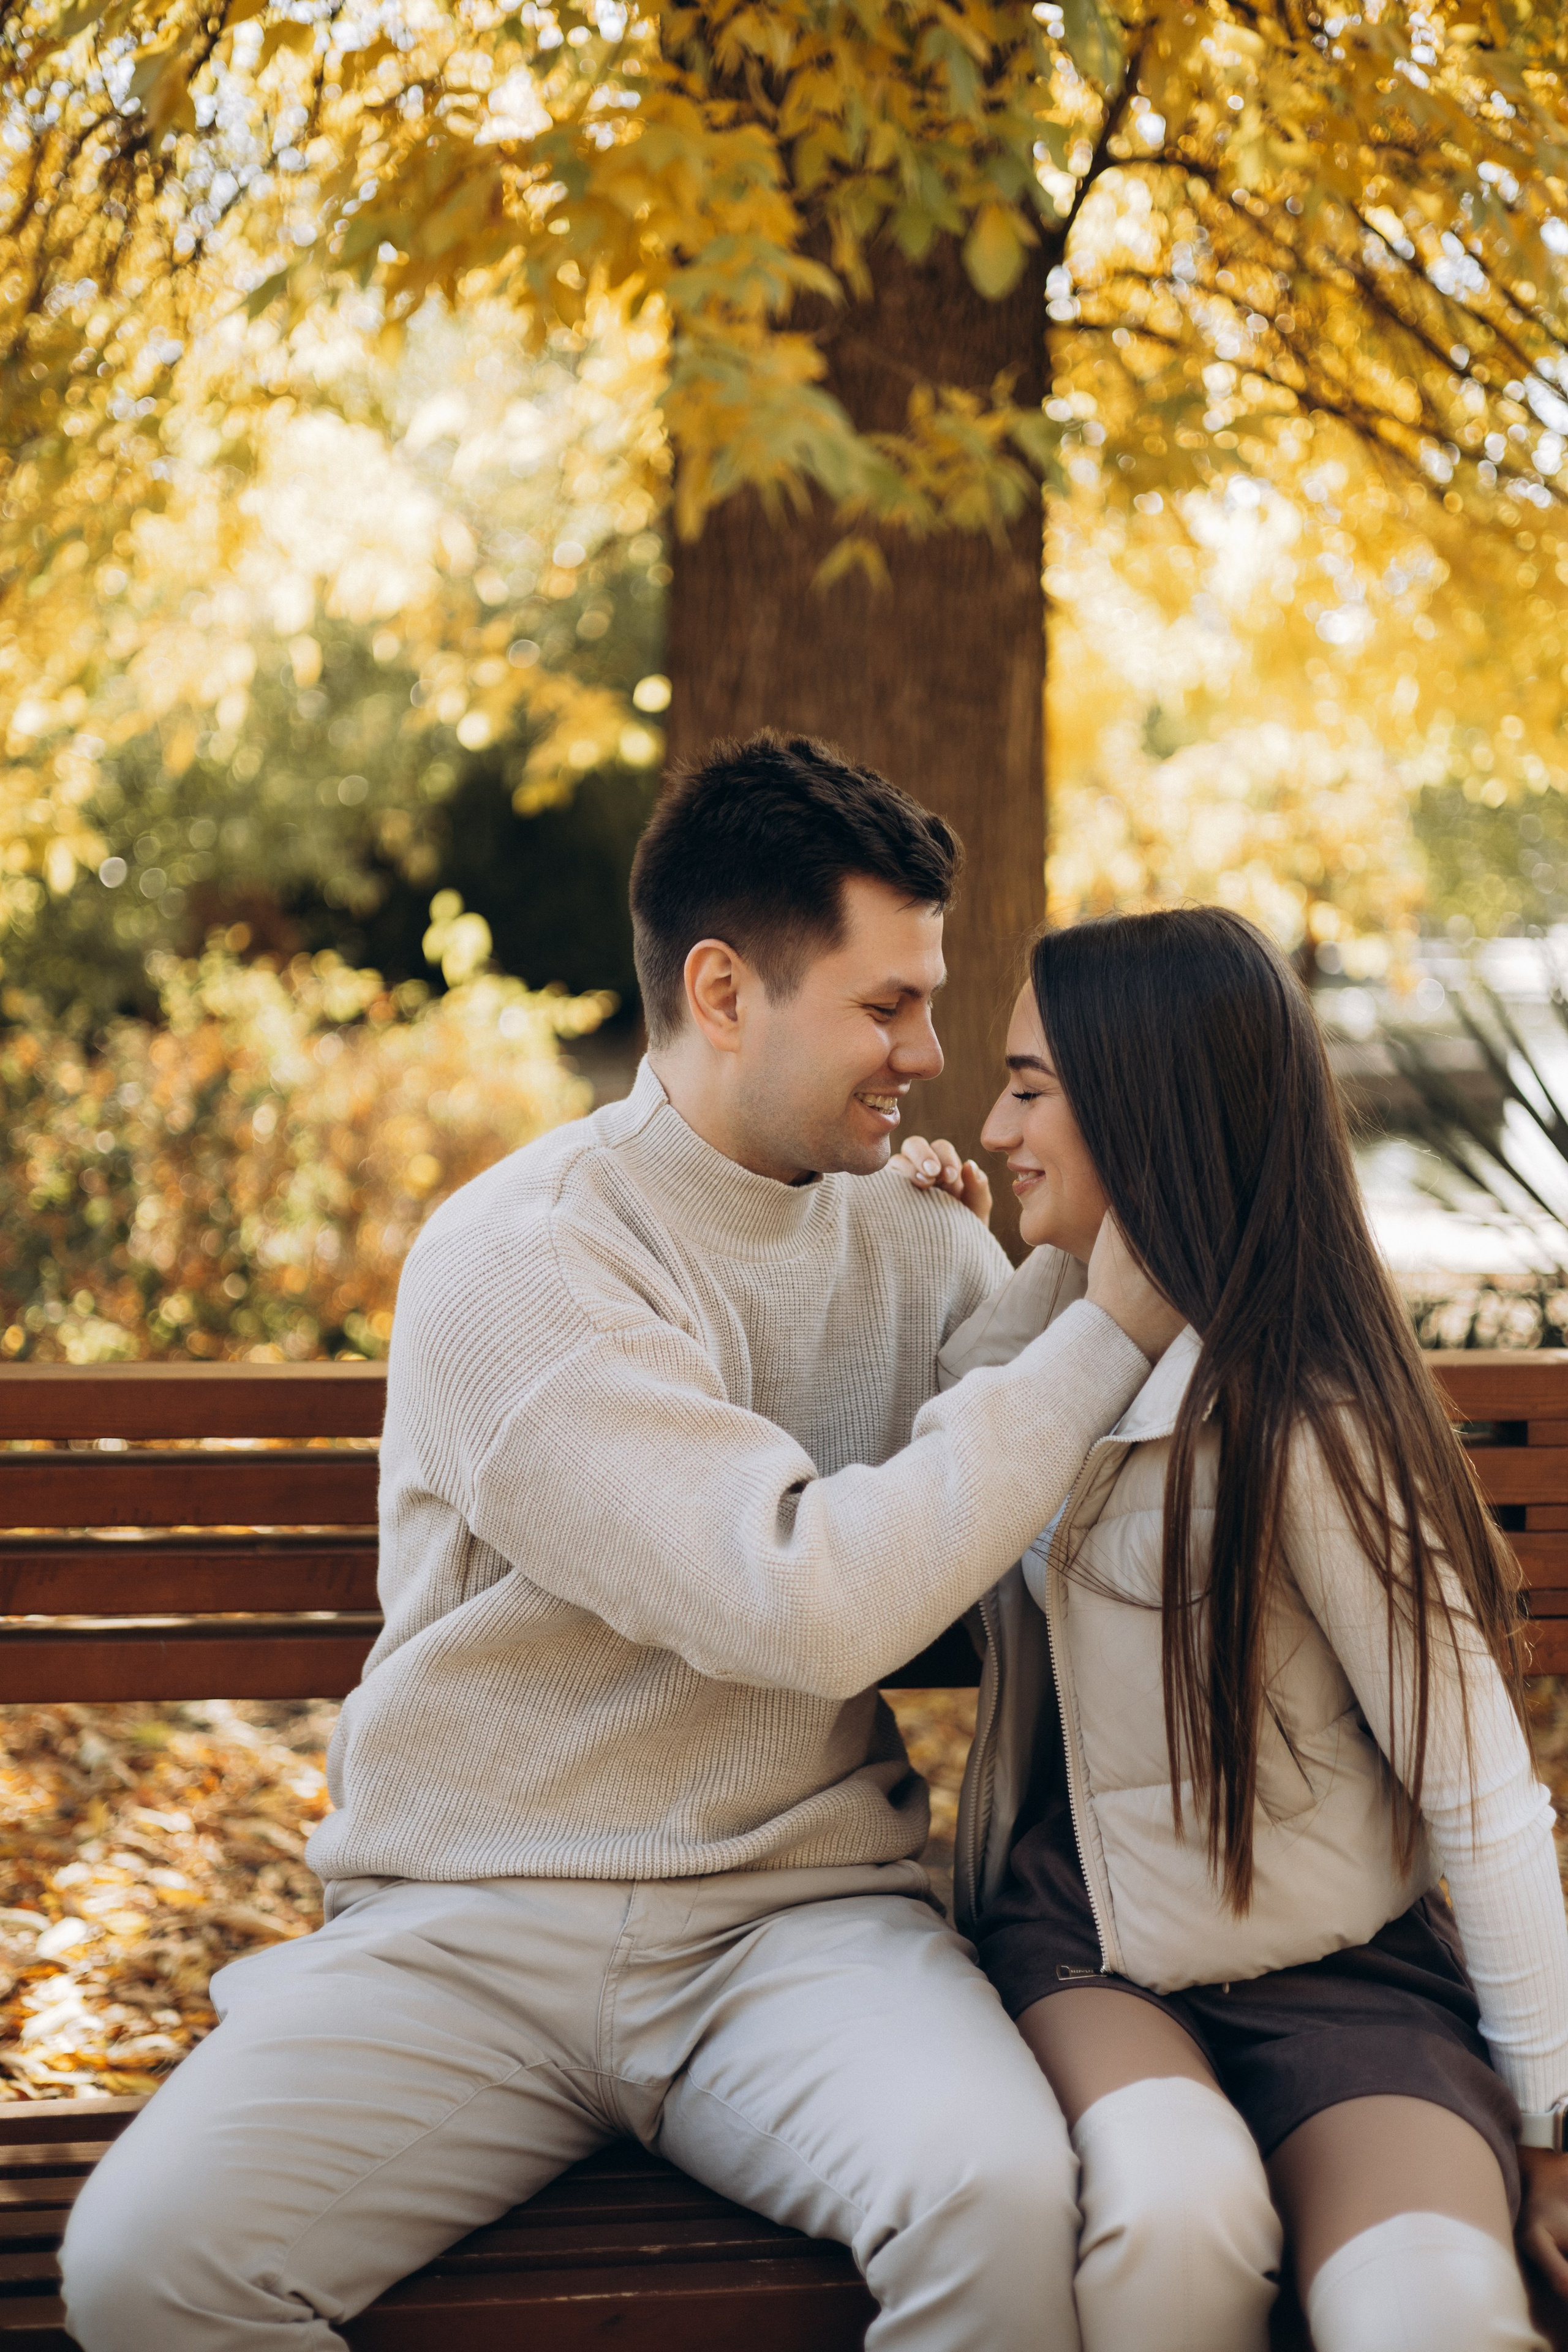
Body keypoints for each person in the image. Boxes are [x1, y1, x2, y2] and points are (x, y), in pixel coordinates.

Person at [62, 733, 1182, 2352]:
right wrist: (1097, 1338)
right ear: (724, 992)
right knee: (146, 2269)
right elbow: (800, 1599)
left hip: (797, 1926)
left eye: (932, 1004)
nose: (927, 1053)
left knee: (998, 2205)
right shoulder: (522, 1263)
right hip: (473, 1936)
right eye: (887, 1007)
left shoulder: (904, 1230)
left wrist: (1050, 1263)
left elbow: (1001, 1474)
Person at [897, 905, 1568, 2352]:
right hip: (1089, 1949)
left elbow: (1477, 1792)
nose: (996, 1121)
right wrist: (922, 1231)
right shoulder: (1045, 1350)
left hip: (1343, 1969)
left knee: (1431, 2309)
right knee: (1172, 2221)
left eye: (1028, 1087)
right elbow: (930, 1469)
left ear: (1141, 1107)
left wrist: (1549, 2112)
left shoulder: (1309, 1423)